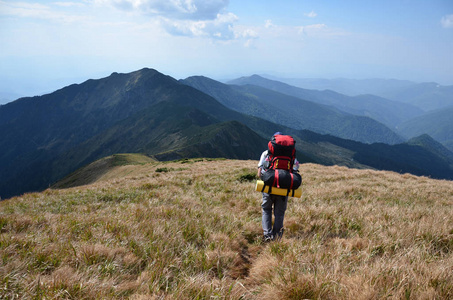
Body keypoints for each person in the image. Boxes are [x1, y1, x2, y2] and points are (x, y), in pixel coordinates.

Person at [257, 132, 299, 242]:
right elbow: (295, 170)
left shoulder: (266, 153)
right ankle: (277, 237)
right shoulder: (291, 156)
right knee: (279, 212)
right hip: (284, 187)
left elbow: (259, 172)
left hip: (269, 185)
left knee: (266, 209)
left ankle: (267, 235)